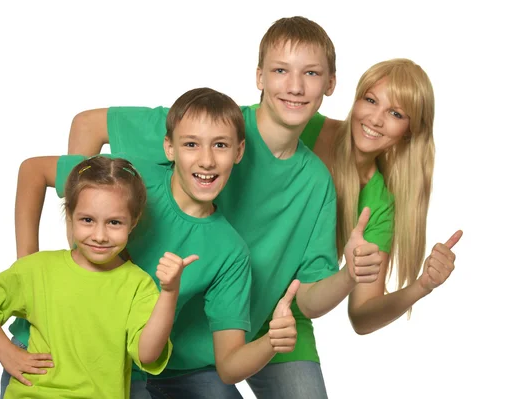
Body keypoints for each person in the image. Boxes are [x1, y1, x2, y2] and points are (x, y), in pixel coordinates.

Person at [60, 16, 382, 398]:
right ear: (259, 76)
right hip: (124, 341)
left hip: (211, 355)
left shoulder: (316, 185)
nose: (295, 86)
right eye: (281, 71)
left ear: (330, 84)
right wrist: (80, 256)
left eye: (311, 73)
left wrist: (348, 276)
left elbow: (309, 299)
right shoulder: (212, 127)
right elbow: (89, 125)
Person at [12, 87, 302, 399]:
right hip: (50, 349)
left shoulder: (230, 252)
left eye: (220, 145)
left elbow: (229, 365)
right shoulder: (131, 179)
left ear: (239, 151)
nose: (206, 161)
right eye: (191, 144)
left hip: (130, 368)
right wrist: (29, 268)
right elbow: (34, 171)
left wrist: (272, 341)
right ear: (170, 147)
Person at [249, 58, 464, 398]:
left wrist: (421, 287)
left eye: (396, 113)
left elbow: (362, 316)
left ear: (410, 129)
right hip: (227, 291)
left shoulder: (378, 203)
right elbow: (215, 133)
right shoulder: (304, 127)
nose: (376, 119)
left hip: (285, 314)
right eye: (370, 100)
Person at [0, 156, 174, 398]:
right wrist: (5, 351)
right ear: (70, 215)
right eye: (87, 220)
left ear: (133, 222)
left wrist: (169, 293)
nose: (99, 235)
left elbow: (147, 355)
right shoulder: (38, 268)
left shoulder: (138, 284)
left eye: (114, 222)